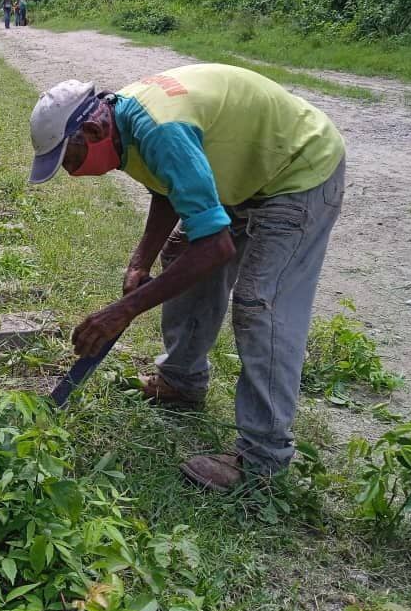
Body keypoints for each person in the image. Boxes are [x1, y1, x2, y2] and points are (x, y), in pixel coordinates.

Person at [27, 64, 346, 492]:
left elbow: (215, 247)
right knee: (179, 251)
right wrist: (142, 260)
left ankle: (262, 461)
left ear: (94, 128)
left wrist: (123, 311)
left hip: (297, 171)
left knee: (259, 304)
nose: (70, 171)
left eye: (70, 158)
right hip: (242, 176)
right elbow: (169, 186)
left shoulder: (158, 128)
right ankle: (181, 381)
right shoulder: (125, 122)